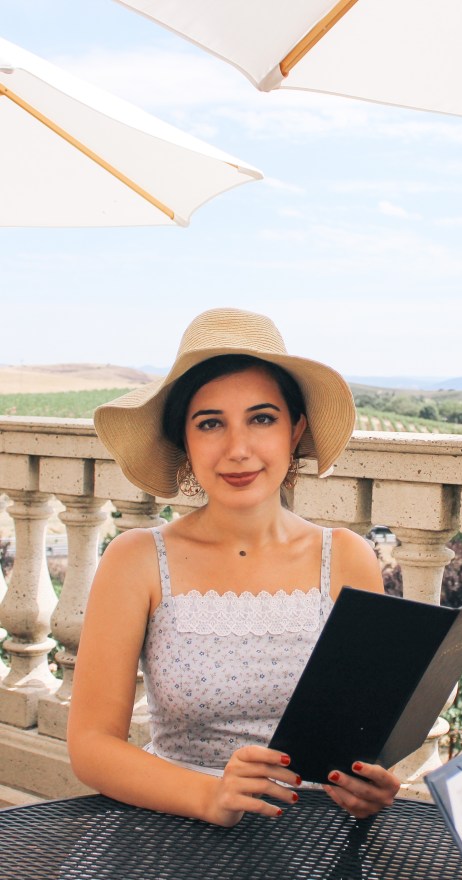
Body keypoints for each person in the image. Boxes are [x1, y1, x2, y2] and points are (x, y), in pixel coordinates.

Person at [68, 308, 400, 827]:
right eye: (210, 424)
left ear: (295, 430)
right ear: (184, 441)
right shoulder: (136, 560)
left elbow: (364, 738)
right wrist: (209, 796)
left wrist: (369, 783)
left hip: (314, 834)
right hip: (175, 828)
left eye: (262, 419)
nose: (238, 449)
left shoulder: (347, 558)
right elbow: (90, 745)